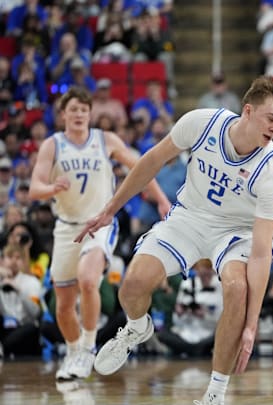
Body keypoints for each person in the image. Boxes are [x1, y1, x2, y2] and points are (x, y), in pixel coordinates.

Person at [76, 76, 273, 405]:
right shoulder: (202, 123)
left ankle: (215, 394)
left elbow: (262, 253)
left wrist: (251, 326)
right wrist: (110, 210)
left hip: (237, 231)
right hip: (189, 216)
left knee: (237, 288)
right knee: (133, 285)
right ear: (248, 111)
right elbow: (150, 161)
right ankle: (137, 327)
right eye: (271, 118)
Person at [28, 86, 171, 381]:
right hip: (66, 228)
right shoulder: (52, 145)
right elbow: (34, 189)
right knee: (64, 304)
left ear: (90, 114)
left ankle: (89, 349)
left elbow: (140, 167)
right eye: (73, 109)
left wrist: (160, 199)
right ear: (63, 114)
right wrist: (52, 188)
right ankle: (73, 351)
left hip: (100, 223)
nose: (79, 114)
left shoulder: (105, 140)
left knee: (89, 280)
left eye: (84, 109)